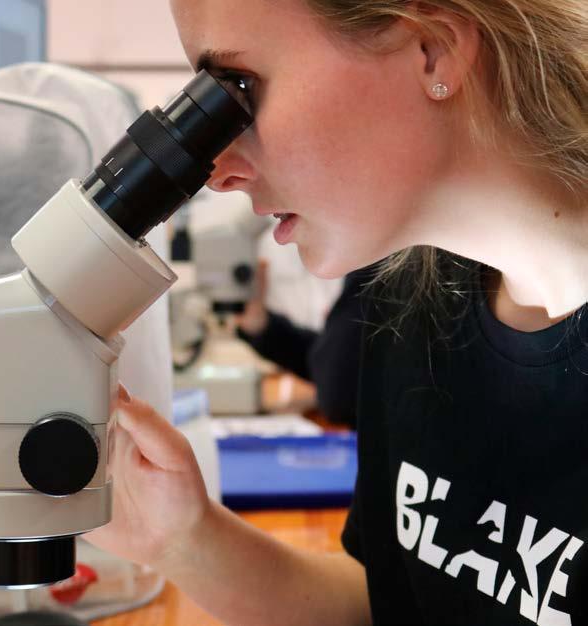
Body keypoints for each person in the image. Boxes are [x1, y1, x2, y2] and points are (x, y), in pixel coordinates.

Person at [86, 1, 588, 624]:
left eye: (237, 89)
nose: (217, 172)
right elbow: (382, 598)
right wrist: (182, 540)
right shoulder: (412, 303)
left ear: (433, 48)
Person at [235, 262, 372, 427]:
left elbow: (339, 390)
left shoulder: (378, 268)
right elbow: (332, 358)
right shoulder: (364, 271)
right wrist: (264, 327)